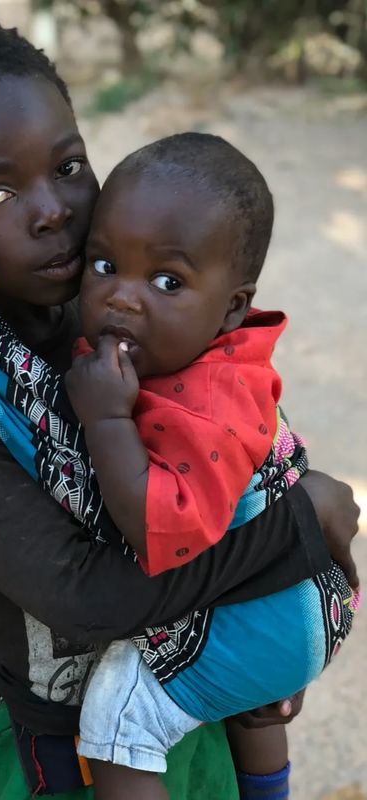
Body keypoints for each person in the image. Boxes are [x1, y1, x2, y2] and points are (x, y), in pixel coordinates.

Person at [0, 19, 351, 800]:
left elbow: (234, 453)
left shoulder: (115, 302)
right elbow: (87, 597)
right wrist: (300, 529)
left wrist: (261, 647)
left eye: (69, 166)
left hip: (187, 700)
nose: (53, 211)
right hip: (69, 751)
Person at [64, 133, 360, 800]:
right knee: (247, 714)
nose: (122, 298)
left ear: (233, 307)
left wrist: (107, 420)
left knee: (116, 718)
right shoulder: (197, 354)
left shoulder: (209, 404)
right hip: (290, 597)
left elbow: (159, 533)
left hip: (275, 613)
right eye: (104, 264)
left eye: (167, 281)